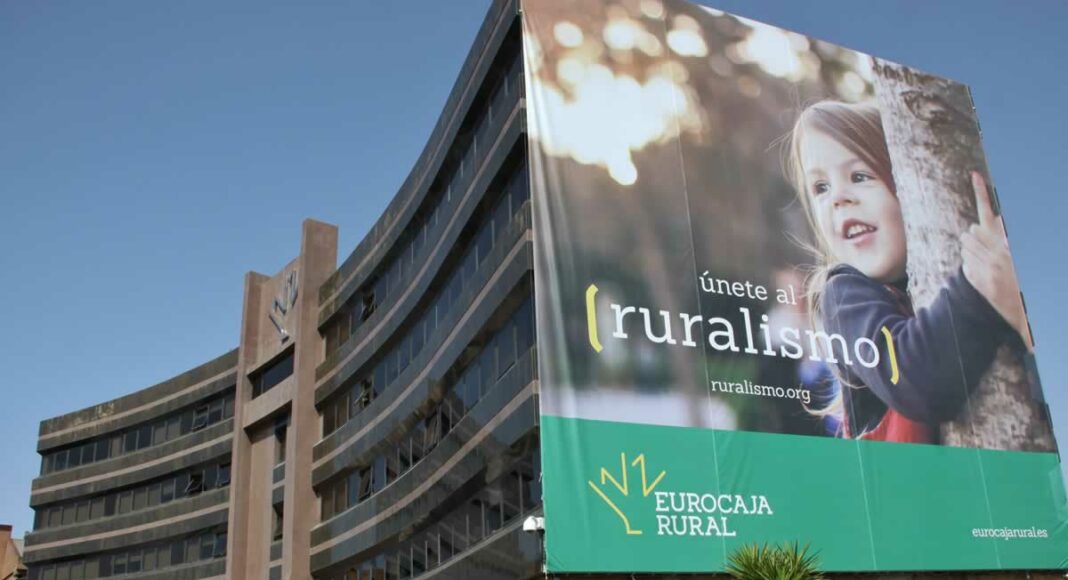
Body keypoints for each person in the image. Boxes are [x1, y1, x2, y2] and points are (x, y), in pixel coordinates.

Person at [784, 100, 1032, 444]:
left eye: (860, 176)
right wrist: (976, 284)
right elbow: (918, 382)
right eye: (821, 188)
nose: (838, 198)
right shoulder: (845, 295)